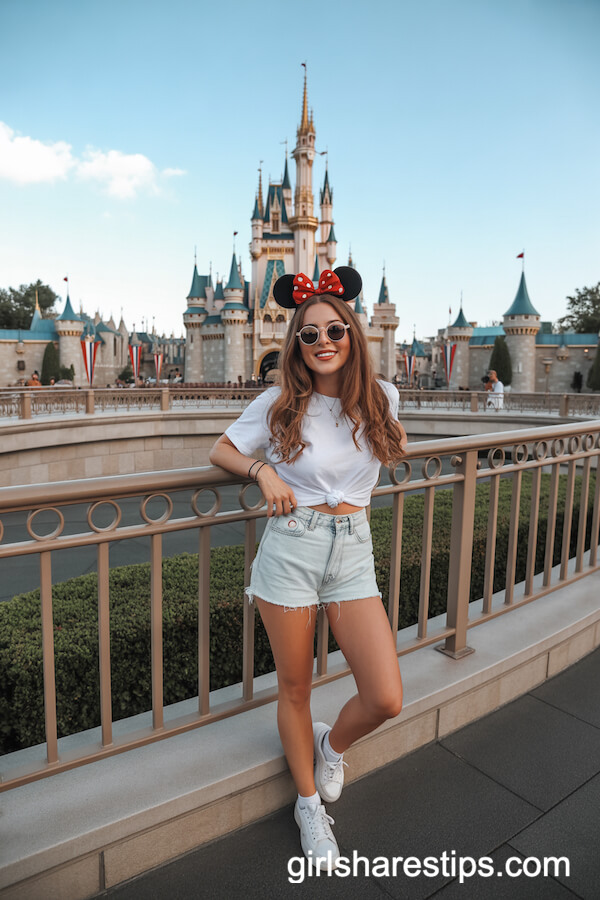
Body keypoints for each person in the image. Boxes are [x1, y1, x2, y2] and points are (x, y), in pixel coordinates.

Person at [209, 266, 407, 869]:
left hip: (352, 549)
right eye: (308, 334)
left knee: (384, 697)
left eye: (334, 331)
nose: (322, 342)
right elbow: (222, 449)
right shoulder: (277, 402)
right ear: (295, 344)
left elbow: (385, 453)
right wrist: (263, 471)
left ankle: (331, 743)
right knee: (295, 688)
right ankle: (306, 806)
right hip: (292, 547)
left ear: (353, 333)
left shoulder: (383, 399)